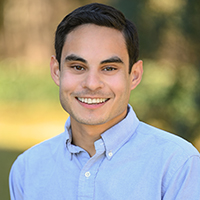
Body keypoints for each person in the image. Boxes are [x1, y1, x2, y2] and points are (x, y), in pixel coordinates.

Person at [9, 3, 200, 200]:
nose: (92, 84)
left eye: (109, 68)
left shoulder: (177, 165)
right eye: (77, 67)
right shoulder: (27, 170)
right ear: (57, 71)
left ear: (134, 75)